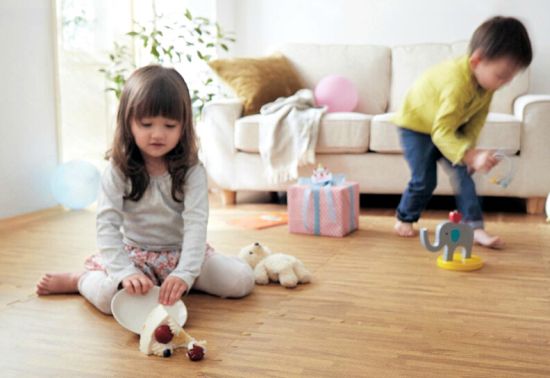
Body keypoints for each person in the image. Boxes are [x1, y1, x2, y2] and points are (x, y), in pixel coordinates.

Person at [37, 65, 255, 313]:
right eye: (146, 124)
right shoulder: (118, 170)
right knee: (109, 299)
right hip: (137, 258)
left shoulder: (193, 170)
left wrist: (185, 272)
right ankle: (81, 279)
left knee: (241, 281)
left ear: (184, 125)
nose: (158, 134)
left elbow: (196, 224)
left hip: (183, 254)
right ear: (128, 122)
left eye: (170, 126)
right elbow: (106, 224)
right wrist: (124, 272)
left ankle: (177, 282)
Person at [392, 16, 532, 248]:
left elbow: (475, 121)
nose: (504, 83)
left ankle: (474, 228)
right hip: (416, 127)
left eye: (509, 78)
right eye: (501, 76)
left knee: (465, 176)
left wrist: (471, 154)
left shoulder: (487, 86)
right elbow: (440, 133)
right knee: (424, 180)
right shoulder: (456, 83)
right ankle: (404, 218)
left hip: (446, 127)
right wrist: (469, 155)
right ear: (477, 60)